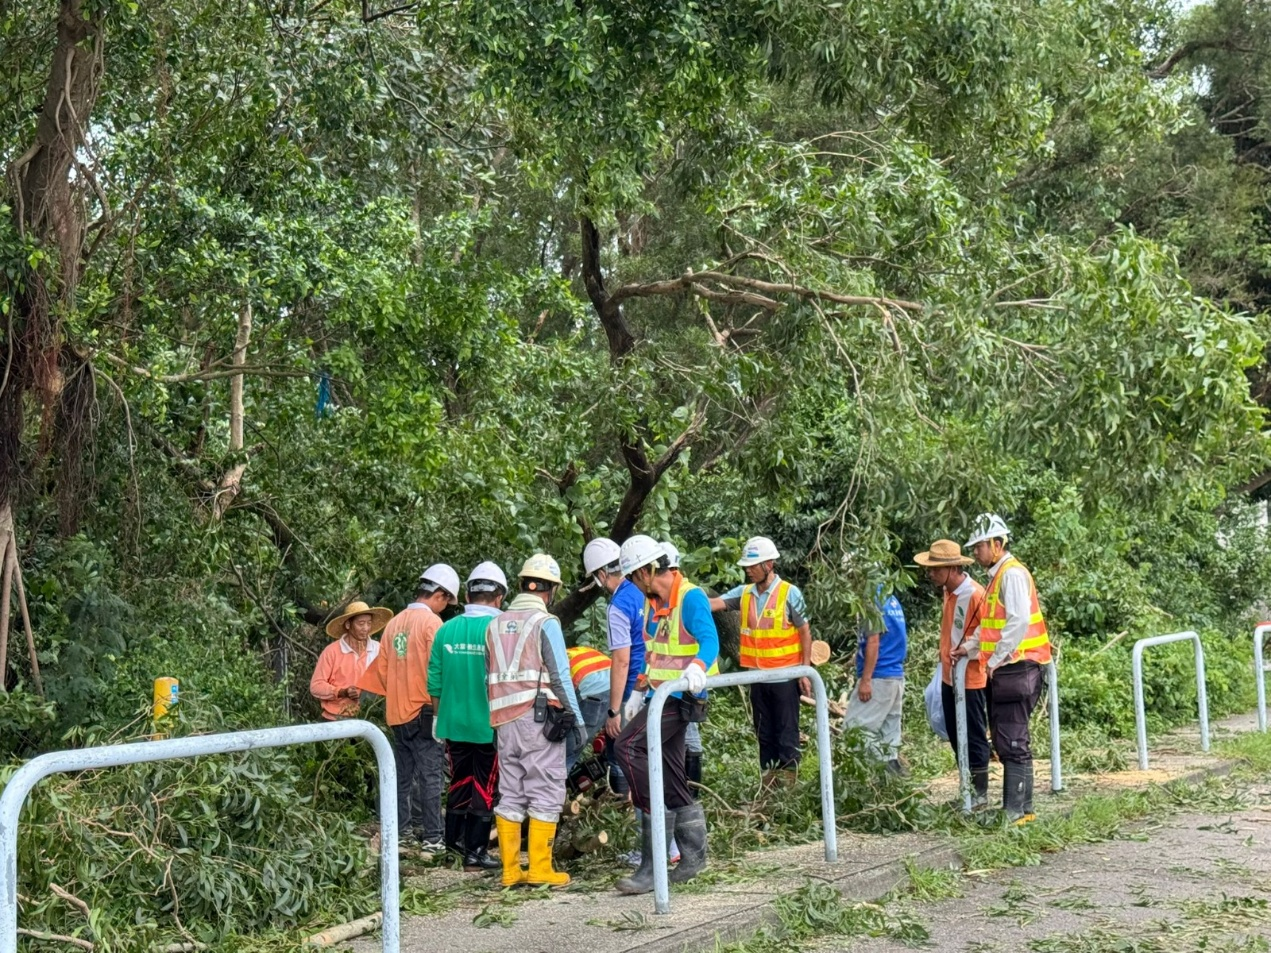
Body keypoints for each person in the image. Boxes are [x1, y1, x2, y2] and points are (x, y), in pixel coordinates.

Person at [613, 535, 718, 894]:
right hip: (657, 695)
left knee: (627, 748)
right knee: (673, 777)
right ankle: (692, 859)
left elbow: (710, 641)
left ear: (645, 570)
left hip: (680, 697)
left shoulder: (690, 597)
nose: (630, 584)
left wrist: (698, 668)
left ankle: (651, 862)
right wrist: (638, 690)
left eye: (631, 577)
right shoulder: (653, 602)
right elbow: (654, 652)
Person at [487, 553, 583, 888]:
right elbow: (560, 676)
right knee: (546, 788)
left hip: (503, 721)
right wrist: (578, 721)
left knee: (510, 792)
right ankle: (540, 868)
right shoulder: (545, 623)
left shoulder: (494, 624)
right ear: (552, 589)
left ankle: (510, 870)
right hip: (538, 718)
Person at [358, 564, 460, 854]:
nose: (444, 608)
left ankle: (399, 832)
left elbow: (381, 672)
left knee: (400, 776)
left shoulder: (394, 624)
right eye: (445, 601)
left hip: (396, 712)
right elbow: (441, 670)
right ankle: (432, 837)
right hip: (426, 710)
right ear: (438, 594)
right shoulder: (432, 625)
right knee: (431, 777)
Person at [960, 513, 1052, 824]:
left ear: (998, 545)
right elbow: (991, 625)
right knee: (1008, 738)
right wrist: (971, 648)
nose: (976, 552)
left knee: (1011, 739)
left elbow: (1018, 622)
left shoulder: (1011, 575)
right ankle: (1020, 810)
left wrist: (996, 659)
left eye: (980, 546)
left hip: (1017, 665)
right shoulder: (999, 577)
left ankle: (1015, 811)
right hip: (1013, 665)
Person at [709, 536, 812, 787]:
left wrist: (804, 671)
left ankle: (788, 791)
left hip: (784, 678)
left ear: (769, 564)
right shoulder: (744, 593)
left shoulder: (790, 593)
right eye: (747, 565)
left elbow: (805, 632)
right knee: (764, 736)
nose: (748, 569)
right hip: (756, 678)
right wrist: (686, 598)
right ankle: (768, 789)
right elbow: (716, 603)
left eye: (753, 565)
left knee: (786, 736)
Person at [428, 561, 507, 871]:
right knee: (485, 785)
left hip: (451, 721)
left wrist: (437, 716)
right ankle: (476, 853)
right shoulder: (500, 628)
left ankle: (453, 848)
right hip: (489, 724)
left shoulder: (446, 629)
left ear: (469, 595)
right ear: (499, 596)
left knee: (460, 780)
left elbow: (434, 677)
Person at [914, 539, 989, 808]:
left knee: (974, 735)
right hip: (949, 675)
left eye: (935, 569)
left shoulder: (976, 595)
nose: (930, 573)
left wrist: (968, 648)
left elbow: (990, 630)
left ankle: (979, 796)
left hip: (970, 678)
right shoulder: (948, 592)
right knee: (958, 737)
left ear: (952, 568)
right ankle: (966, 791)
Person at [581, 537, 648, 794]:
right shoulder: (643, 590)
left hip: (631, 685)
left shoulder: (618, 605)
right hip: (652, 680)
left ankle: (623, 806)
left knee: (617, 745)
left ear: (600, 574)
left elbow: (621, 660)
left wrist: (613, 711)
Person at [844, 585, 908, 773]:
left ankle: (881, 768)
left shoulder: (871, 601)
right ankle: (892, 779)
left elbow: (873, 641)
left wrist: (866, 680)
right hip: (895, 675)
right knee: (890, 734)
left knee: (854, 730)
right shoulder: (890, 598)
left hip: (879, 676)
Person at [310, 600, 389, 720]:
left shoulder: (377, 649)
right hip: (336, 718)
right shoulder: (332, 652)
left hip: (369, 717)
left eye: (368, 623)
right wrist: (341, 692)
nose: (366, 628)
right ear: (348, 625)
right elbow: (316, 686)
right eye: (361, 623)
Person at [565, 644, 612, 770]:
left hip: (591, 692)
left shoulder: (543, 666)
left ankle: (555, 787)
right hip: (615, 684)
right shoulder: (569, 652)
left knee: (565, 752)